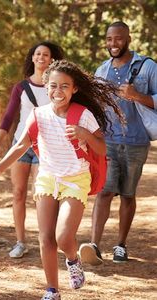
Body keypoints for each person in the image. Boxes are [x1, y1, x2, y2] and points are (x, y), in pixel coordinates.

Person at [0, 60, 124, 300]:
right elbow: (20, 146)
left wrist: (84, 134)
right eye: (53, 86)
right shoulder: (39, 115)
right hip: (47, 177)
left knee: (63, 236)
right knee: (46, 238)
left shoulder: (83, 115)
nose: (58, 92)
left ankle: (72, 259)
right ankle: (52, 290)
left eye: (65, 86)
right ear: (46, 86)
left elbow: (100, 149)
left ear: (74, 89)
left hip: (75, 178)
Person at [79, 21, 157, 266]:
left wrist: (138, 96)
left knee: (127, 194)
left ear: (128, 39)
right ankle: (94, 245)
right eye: (110, 39)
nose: (114, 44)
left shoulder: (147, 67)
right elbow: (95, 106)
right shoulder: (102, 71)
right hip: (109, 140)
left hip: (137, 140)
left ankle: (121, 245)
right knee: (104, 191)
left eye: (119, 39)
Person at [0, 41, 64, 258]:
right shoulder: (21, 87)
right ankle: (20, 242)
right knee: (18, 192)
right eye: (37, 54)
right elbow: (8, 118)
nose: (41, 57)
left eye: (46, 54)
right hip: (21, 145)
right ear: (32, 58)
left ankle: (47, 240)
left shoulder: (56, 85)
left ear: (52, 60)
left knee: (42, 194)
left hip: (46, 147)